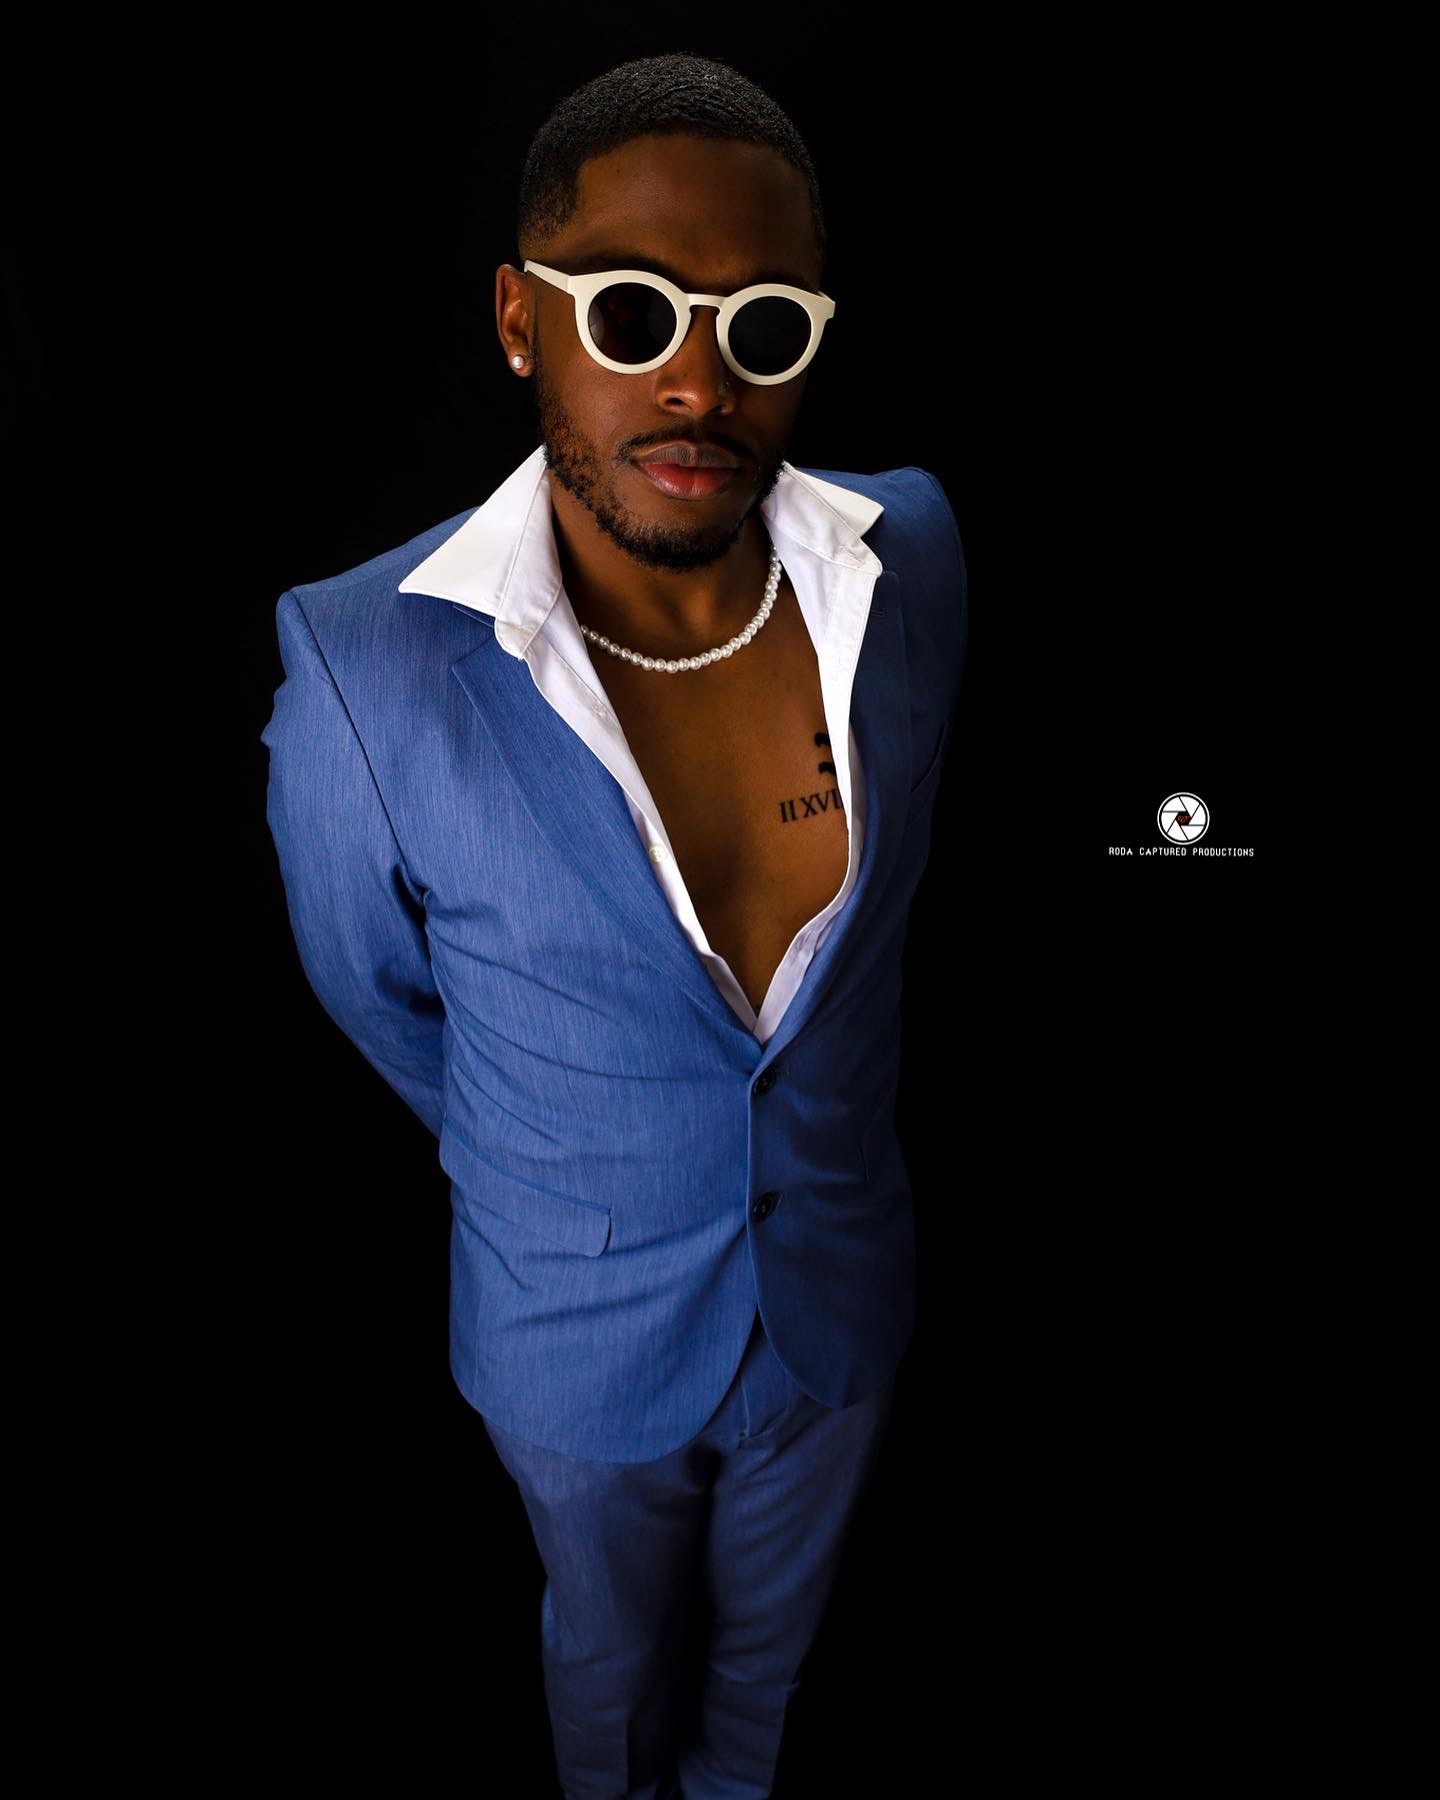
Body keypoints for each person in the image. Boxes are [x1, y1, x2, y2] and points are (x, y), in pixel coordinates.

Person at [260, 51, 967, 1800]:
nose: (698, 383)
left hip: (843, 1300)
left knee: (772, 1675)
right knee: (605, 1664)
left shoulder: (915, 560)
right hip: (574, 1341)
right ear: (521, 319)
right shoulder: (364, 664)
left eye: (761, 329)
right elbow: (374, 995)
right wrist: (563, 1162)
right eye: (634, 312)